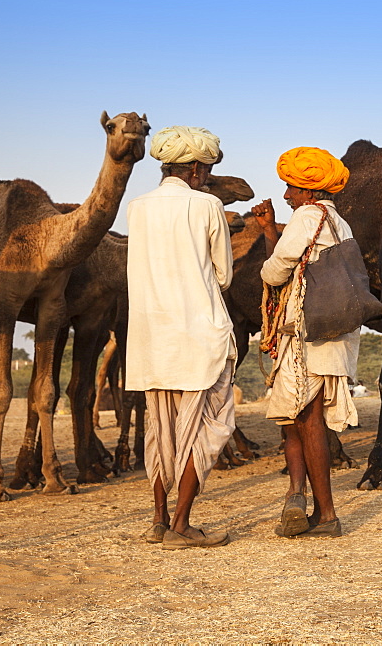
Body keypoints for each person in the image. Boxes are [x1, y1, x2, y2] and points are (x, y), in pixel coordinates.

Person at [127, 125, 236, 550]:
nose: (206, 176)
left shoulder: (137, 207)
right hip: (199, 335)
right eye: (205, 169)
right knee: (210, 427)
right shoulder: (207, 205)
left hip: (151, 339)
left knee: (160, 429)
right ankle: (182, 523)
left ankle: (157, 520)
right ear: (193, 168)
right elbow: (223, 276)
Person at [252, 146, 360, 538]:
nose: (286, 197)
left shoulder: (307, 216)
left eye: (291, 189)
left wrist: (267, 263)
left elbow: (277, 269)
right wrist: (270, 231)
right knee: (297, 417)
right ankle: (297, 498)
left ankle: (326, 514)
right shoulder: (339, 222)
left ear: (308, 191)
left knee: (308, 419)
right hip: (333, 332)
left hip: (307, 335)